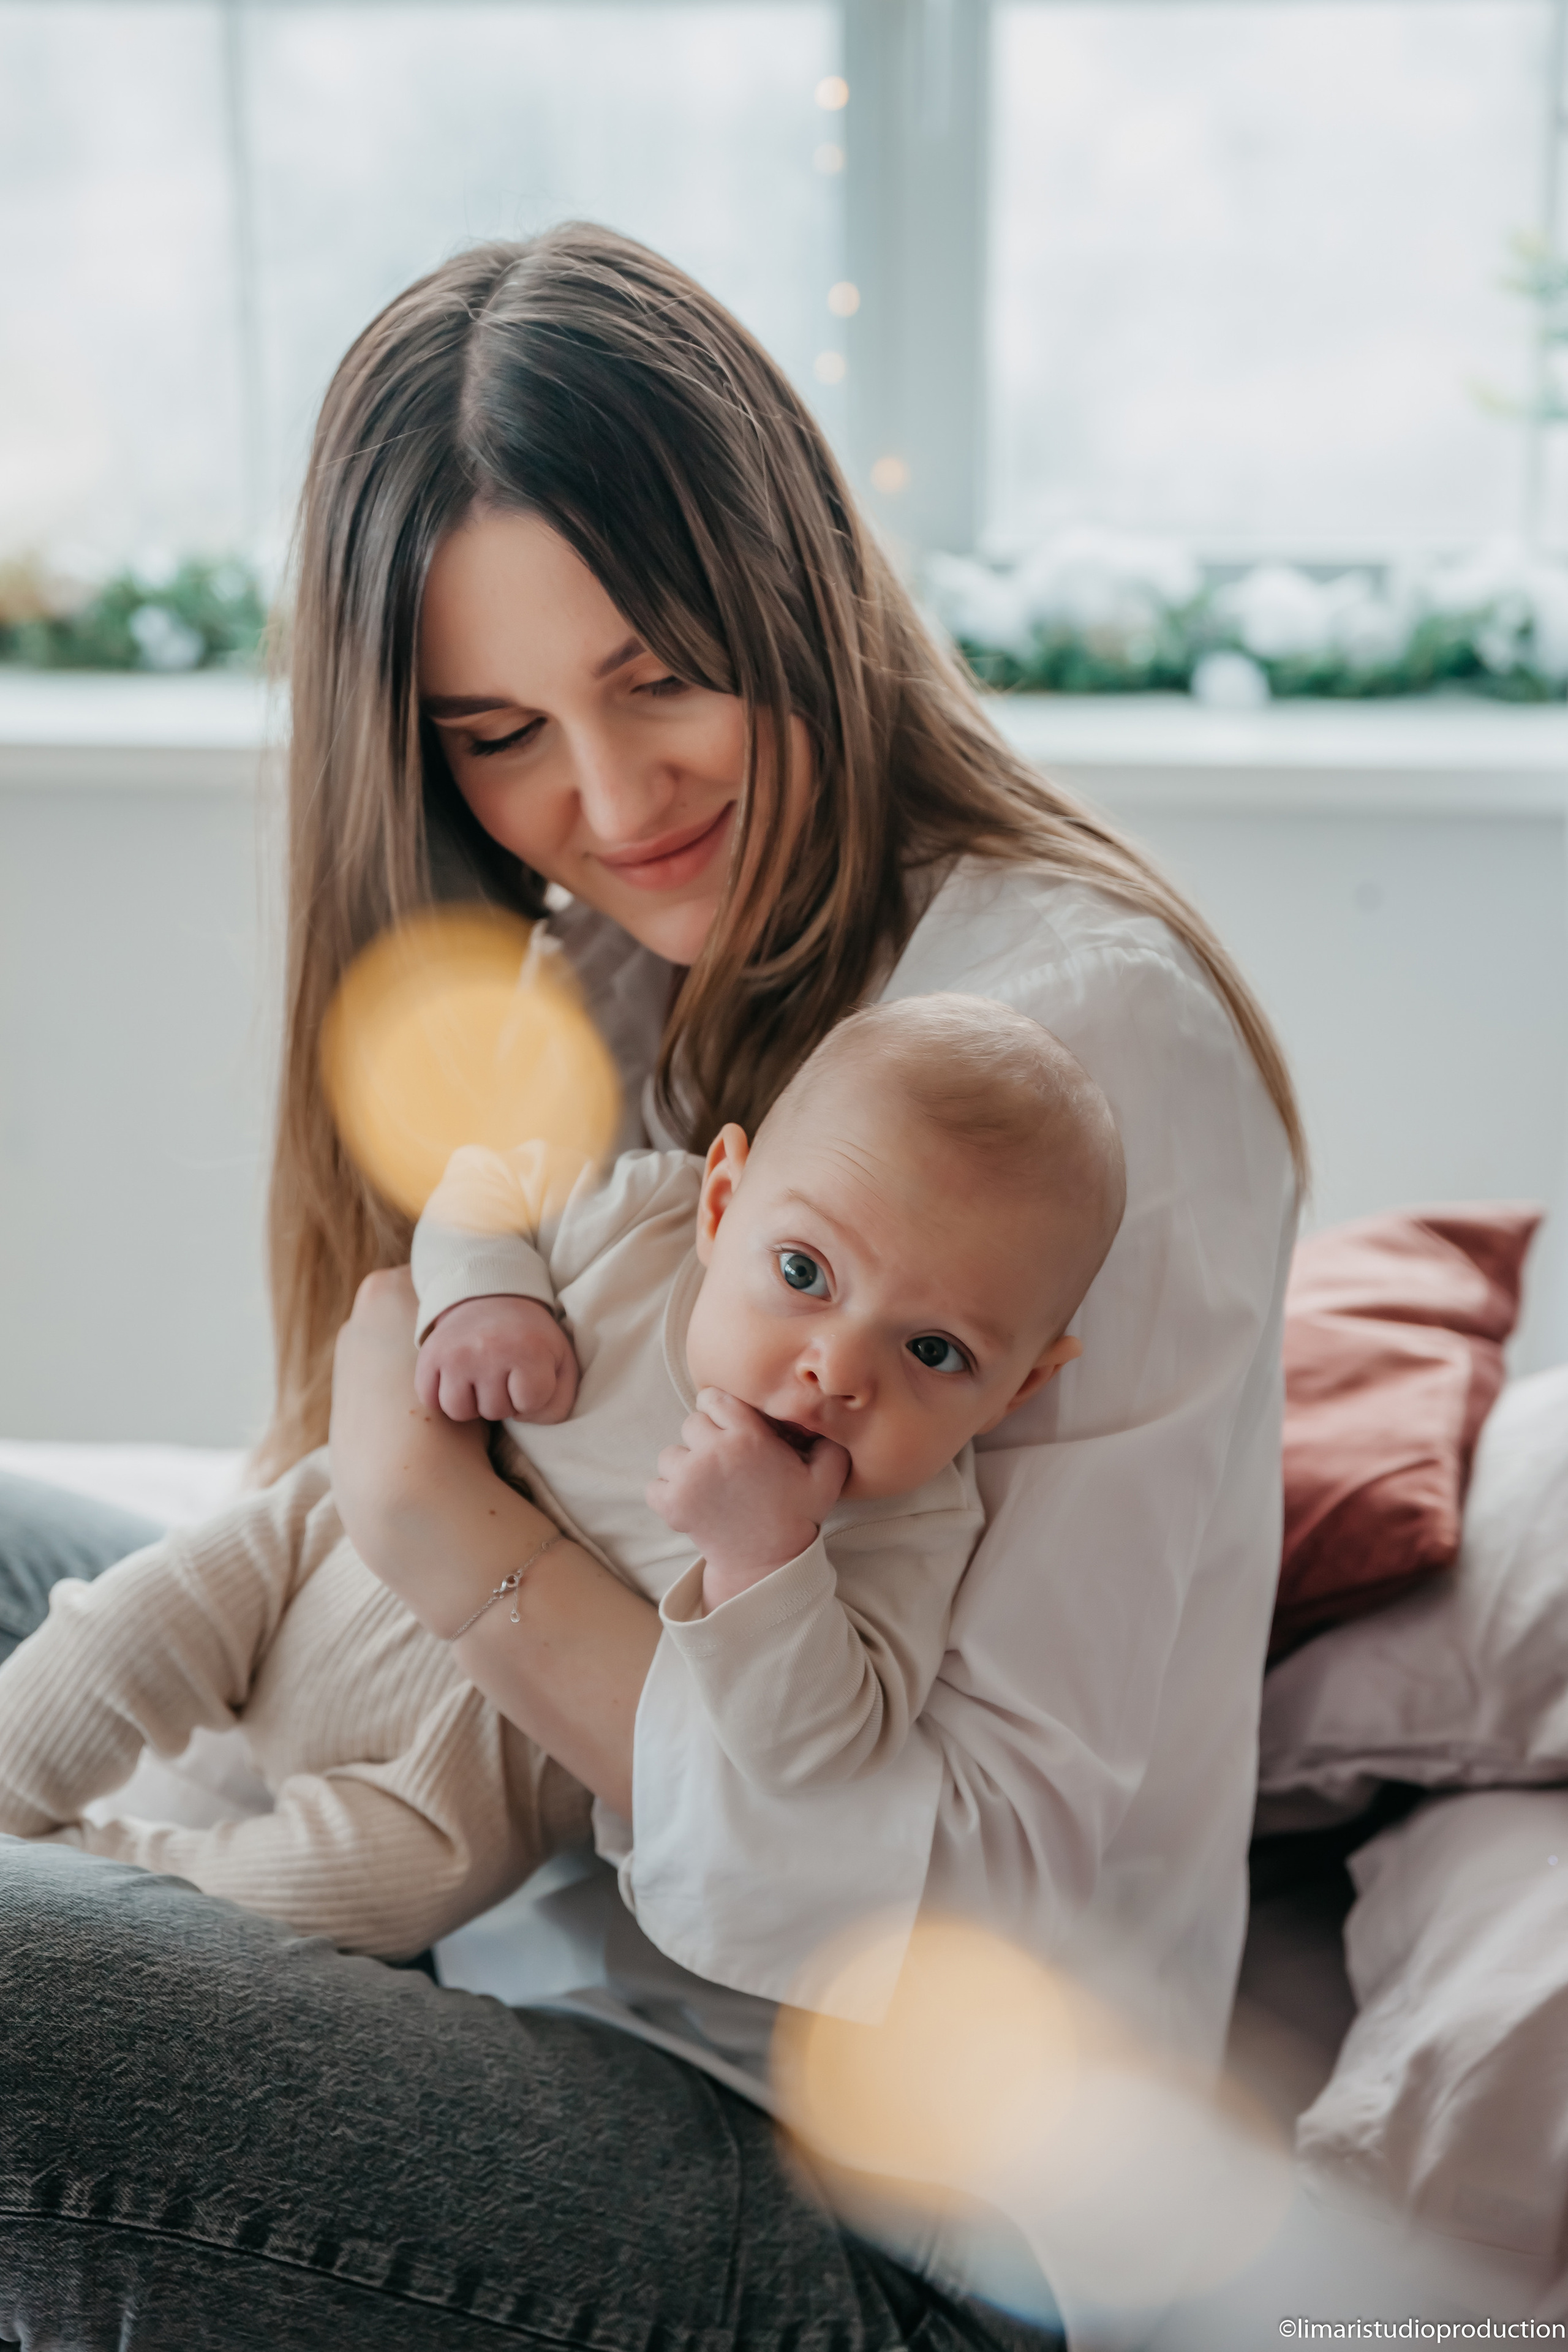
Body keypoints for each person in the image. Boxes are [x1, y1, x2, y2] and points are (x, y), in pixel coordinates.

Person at [0, 222, 1302, 2350]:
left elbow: (957, 1907)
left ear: (792, 588)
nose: (604, 807)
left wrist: (461, 1555)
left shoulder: (1068, 1055)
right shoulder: (618, 956)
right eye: (500, 730)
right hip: (514, 1943)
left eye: (661, 680)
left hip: (880, 2201)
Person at [0, 999, 1120, 1985]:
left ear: (1021, 1386)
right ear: (723, 1202)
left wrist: (766, 1565)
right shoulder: (641, 1226)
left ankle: (57, 1891)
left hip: (464, 1783)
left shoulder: (912, 1523)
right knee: (109, 1639)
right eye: (803, 1274)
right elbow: (486, 1184)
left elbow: (823, 1757)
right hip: (316, 1547)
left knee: (359, 1897)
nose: (837, 1368)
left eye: (933, 1353)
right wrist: (487, 1298)